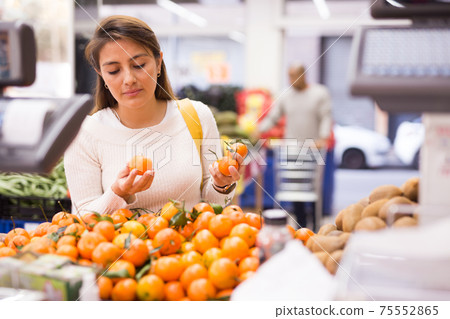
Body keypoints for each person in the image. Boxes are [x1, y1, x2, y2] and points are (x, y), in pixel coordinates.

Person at [64, 15, 243, 215]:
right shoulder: (84, 134)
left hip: (192, 244)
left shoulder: (197, 116)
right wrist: (118, 193)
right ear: (101, 74)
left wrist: (221, 184)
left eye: (139, 65)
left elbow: (215, 204)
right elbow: (82, 217)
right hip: (119, 246)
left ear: (158, 63)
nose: (129, 79)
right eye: (114, 71)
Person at [257, 63, 333, 228]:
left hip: (313, 149)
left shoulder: (319, 93)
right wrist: (257, 129)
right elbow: (273, 117)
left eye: (294, 76)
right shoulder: (286, 96)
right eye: (289, 76)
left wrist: (323, 138)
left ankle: (315, 227)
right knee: (296, 191)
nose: (291, 80)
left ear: (304, 75)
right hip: (292, 149)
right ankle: (301, 227)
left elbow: (326, 117)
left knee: (313, 190)